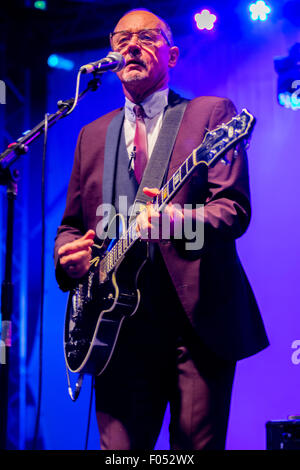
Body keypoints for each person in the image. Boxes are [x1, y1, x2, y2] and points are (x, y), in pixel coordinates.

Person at [54, 8, 269, 450]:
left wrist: (176, 220)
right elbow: (72, 227)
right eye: (121, 39)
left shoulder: (209, 115)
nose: (131, 45)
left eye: (147, 37)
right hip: (116, 330)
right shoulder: (91, 135)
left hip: (195, 326)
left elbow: (233, 209)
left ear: (171, 55)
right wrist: (69, 256)